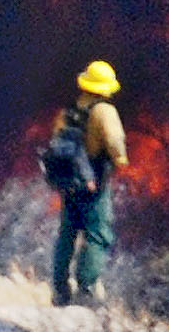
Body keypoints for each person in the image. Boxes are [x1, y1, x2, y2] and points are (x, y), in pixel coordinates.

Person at [50, 59, 128, 307]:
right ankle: (86, 287)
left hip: (69, 180)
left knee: (67, 234)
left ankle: (60, 289)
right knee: (98, 234)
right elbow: (114, 141)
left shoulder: (70, 110)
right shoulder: (105, 111)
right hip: (94, 182)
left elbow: (56, 140)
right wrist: (121, 160)